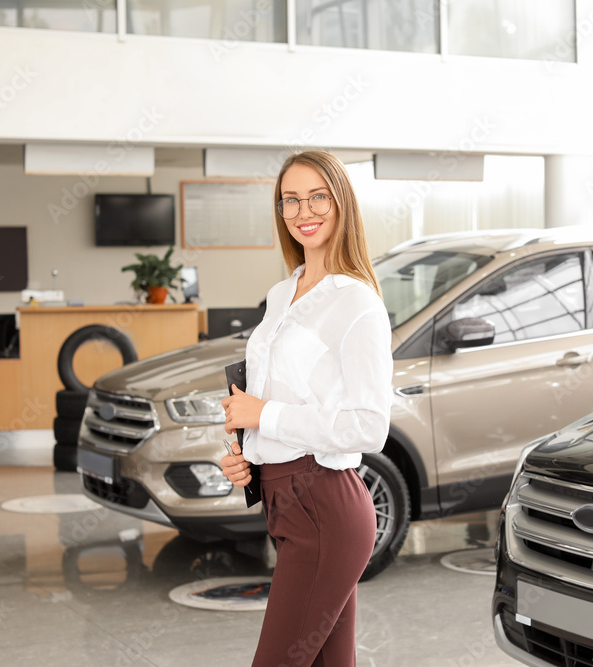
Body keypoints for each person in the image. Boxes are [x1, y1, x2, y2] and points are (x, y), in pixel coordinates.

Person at [220, 150, 393, 667]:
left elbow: (369, 426)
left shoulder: (357, 303)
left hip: (324, 505)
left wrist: (262, 415)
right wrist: (242, 453)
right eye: (290, 199)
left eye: (318, 195)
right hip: (283, 500)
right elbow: (272, 396)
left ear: (341, 203)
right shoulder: (283, 293)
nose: (303, 210)